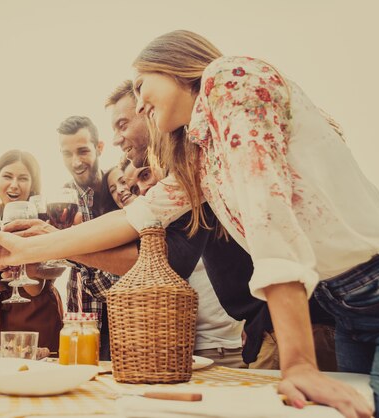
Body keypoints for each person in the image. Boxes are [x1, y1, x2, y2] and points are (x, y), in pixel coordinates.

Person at [0, 30, 379, 417]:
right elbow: (138, 217)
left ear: (175, 63)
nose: (140, 98)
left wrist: (298, 361)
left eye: (141, 83)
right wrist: (30, 249)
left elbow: (268, 213)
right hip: (346, 308)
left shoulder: (231, 79)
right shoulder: (200, 161)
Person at [108, 81, 335, 370]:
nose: (117, 138)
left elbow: (173, 262)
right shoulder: (191, 170)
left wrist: (55, 249)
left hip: (294, 329)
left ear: (150, 113)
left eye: (123, 124)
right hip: (270, 328)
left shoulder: (201, 161)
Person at [105, 163, 246, 368]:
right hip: (176, 353)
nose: (140, 189)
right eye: (133, 188)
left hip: (229, 347)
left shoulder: (196, 214)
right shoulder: (142, 243)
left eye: (145, 175)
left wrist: (254, 319)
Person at [56, 116, 118, 361]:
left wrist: (72, 251)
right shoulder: (61, 200)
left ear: (99, 148)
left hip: (124, 321)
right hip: (81, 320)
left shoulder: (118, 191)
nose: (76, 162)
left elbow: (115, 286)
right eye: (66, 153)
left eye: (83, 151)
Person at [0, 150, 64, 352]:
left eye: (23, 178)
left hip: (37, 316)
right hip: (1, 322)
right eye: (7, 176)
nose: (14, 185)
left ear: (32, 185)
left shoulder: (40, 222)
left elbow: (34, 288)